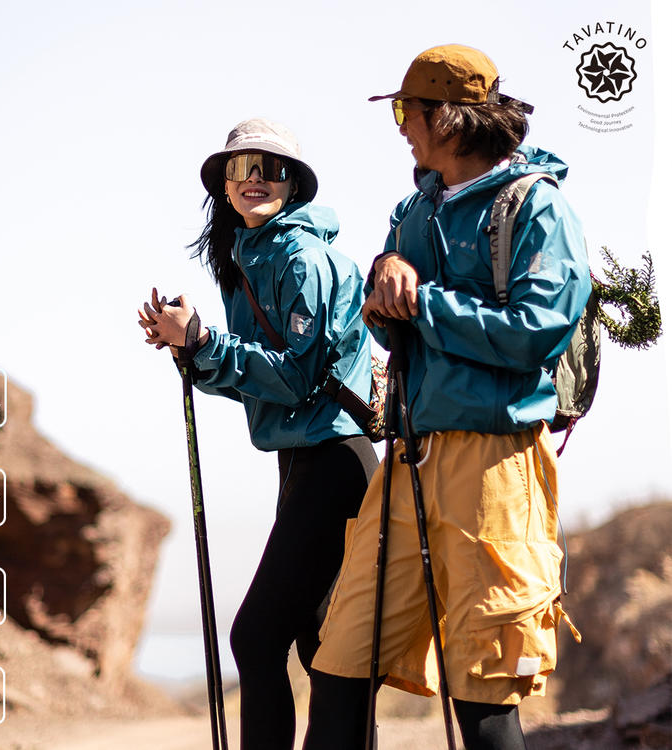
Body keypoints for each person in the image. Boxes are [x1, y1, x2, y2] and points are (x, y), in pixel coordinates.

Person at [304, 45, 591, 749]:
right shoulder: (414, 211)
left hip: (496, 469)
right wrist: (385, 279)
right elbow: (384, 320)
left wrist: (422, 301)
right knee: (339, 664)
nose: (402, 126)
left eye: (408, 111)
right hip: (409, 458)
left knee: (483, 694)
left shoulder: (537, 207)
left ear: (451, 118)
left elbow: (536, 331)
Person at [138, 118, 379, 750]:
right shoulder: (249, 259)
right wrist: (191, 352)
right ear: (223, 184)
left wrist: (206, 343)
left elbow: (297, 377)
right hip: (302, 462)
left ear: (293, 183)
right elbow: (260, 381)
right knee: (321, 643)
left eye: (269, 168)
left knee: (256, 637)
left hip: (334, 462)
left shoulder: (301, 258)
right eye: (239, 168)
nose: (253, 179)